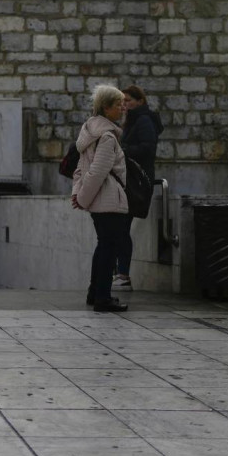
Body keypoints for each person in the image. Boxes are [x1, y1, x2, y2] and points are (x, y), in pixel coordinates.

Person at [70, 84, 129, 313]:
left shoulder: (89, 132)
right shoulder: (107, 137)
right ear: (106, 108)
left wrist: (78, 194)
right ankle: (103, 298)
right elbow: (96, 172)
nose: (122, 109)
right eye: (117, 105)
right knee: (109, 249)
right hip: (108, 200)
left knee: (103, 247)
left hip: (98, 201)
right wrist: (82, 199)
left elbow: (80, 169)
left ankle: (95, 293)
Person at [115, 85, 164, 292]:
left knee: (122, 227)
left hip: (137, 182)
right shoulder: (134, 121)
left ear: (140, 101)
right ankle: (120, 273)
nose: (124, 104)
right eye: (122, 101)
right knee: (119, 227)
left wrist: (122, 150)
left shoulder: (143, 120)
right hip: (131, 181)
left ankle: (123, 274)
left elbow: (147, 148)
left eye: (128, 100)